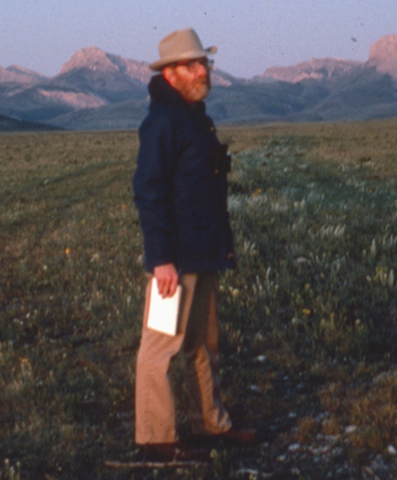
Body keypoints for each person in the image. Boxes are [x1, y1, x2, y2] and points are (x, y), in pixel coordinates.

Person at [131, 28, 257, 461]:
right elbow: (149, 192)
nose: (201, 70)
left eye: (204, 62)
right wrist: (161, 259)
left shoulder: (195, 118)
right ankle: (155, 438)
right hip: (176, 261)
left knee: (203, 344)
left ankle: (212, 425)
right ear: (170, 74)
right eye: (191, 64)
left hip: (204, 254)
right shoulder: (162, 123)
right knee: (160, 348)